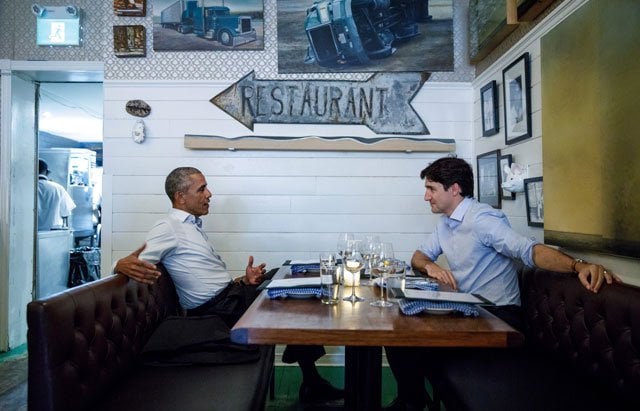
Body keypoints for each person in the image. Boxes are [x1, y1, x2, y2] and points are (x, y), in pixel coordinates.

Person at [383, 157, 621, 411]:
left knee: (413, 344)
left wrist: (578, 266)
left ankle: (413, 402)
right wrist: (431, 266)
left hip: (499, 316)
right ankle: (412, 402)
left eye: (431, 189)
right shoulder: (446, 223)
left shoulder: (483, 219)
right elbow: (419, 257)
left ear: (454, 189)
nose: (426, 197)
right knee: (398, 338)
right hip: (470, 313)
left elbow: (528, 250)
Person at [114, 167, 342, 404]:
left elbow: (205, 278)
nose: (209, 194)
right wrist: (118, 264)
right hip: (218, 311)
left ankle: (310, 377)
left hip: (230, 296)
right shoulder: (168, 227)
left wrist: (243, 280)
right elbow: (136, 260)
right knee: (291, 294)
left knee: (285, 276)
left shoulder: (191, 226)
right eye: (202, 189)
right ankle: (311, 380)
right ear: (181, 196)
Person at [37, 159, 76, 231]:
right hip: (53, 233)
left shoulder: (26, 189)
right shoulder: (58, 188)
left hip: (30, 233)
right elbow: (66, 213)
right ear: (47, 172)